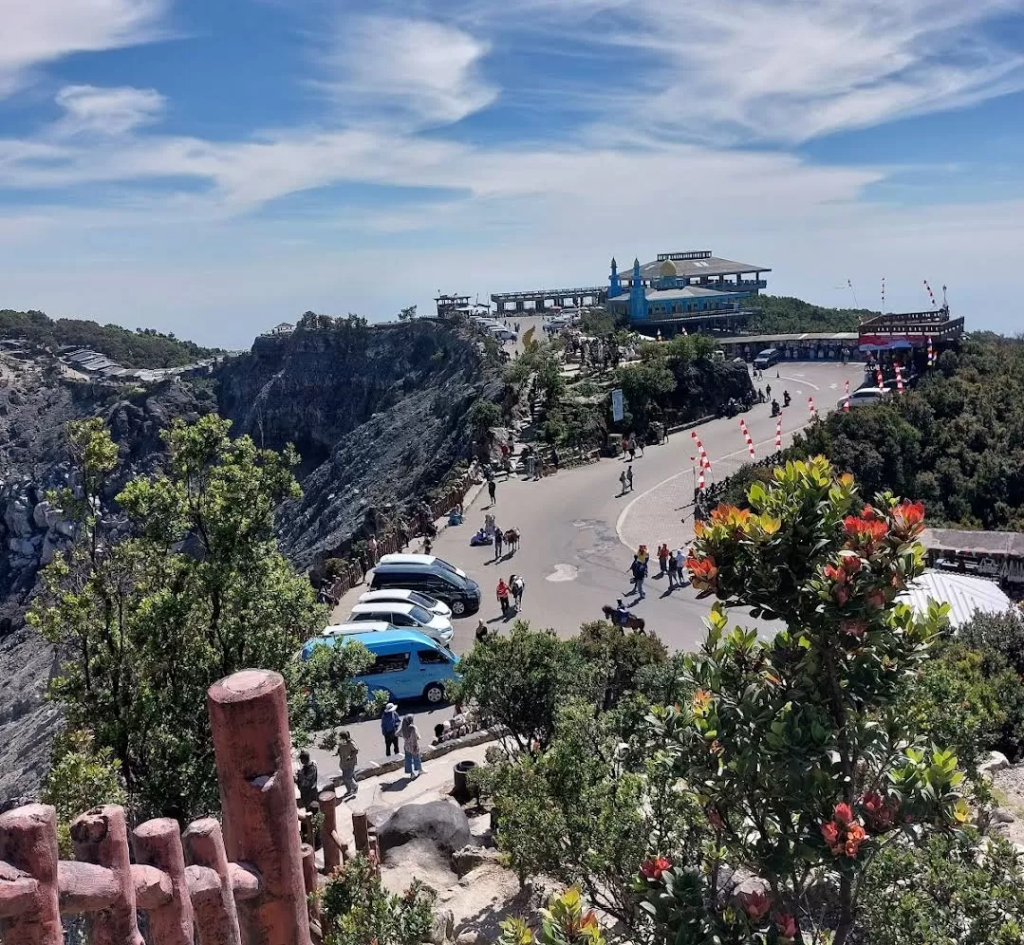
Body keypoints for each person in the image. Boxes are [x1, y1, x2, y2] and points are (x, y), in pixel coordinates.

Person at [337, 730, 359, 797]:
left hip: (350, 763)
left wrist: (350, 756)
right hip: (343, 763)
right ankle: (349, 791)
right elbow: (340, 749)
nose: (340, 739)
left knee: (347, 777)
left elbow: (356, 750)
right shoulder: (341, 743)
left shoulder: (350, 743)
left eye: (341, 738)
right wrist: (337, 752)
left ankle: (355, 786)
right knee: (348, 777)